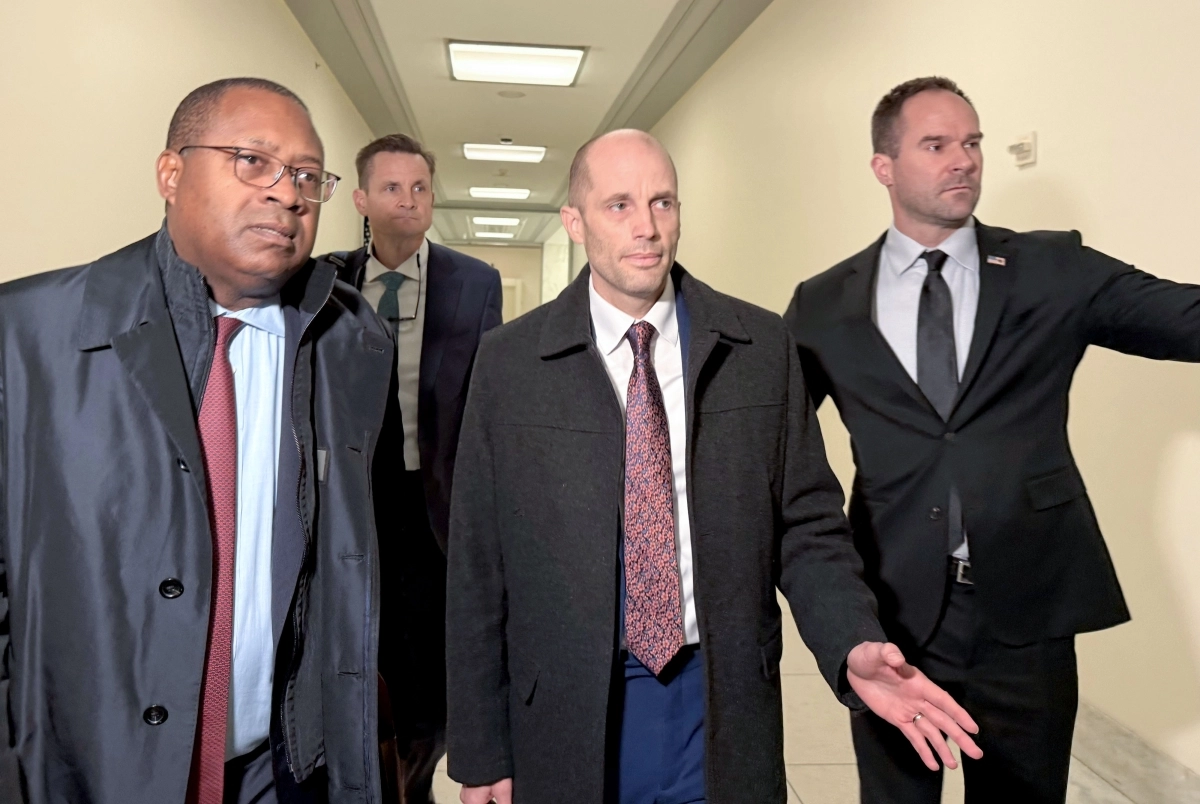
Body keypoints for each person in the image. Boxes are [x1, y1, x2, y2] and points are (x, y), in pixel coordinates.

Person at [445, 129, 982, 804]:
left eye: (662, 202)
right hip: (567, 710)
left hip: (721, 702)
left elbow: (808, 526)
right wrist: (481, 750)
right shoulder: (510, 364)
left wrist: (852, 641)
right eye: (619, 205)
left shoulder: (759, 348)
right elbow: (478, 564)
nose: (646, 227)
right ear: (575, 222)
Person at [784, 76, 1200, 803]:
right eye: (935, 144)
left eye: (972, 142)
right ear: (883, 166)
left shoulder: (1051, 268)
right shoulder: (824, 303)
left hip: (1026, 611)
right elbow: (772, 437)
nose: (964, 159)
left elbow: (1185, 318)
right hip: (893, 610)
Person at [0, 77, 406, 803]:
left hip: (278, 773)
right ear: (171, 173)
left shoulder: (353, 343)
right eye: (253, 161)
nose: (287, 194)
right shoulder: (27, 335)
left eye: (307, 176)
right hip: (85, 775)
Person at [316, 132, 502, 804]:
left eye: (420, 187)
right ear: (361, 199)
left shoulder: (473, 282)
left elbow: (486, 396)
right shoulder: (324, 281)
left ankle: (416, 774)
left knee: (428, 656)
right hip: (351, 502)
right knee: (364, 647)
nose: (408, 200)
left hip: (435, 502)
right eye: (392, 187)